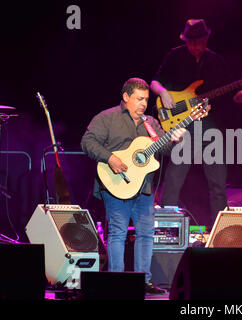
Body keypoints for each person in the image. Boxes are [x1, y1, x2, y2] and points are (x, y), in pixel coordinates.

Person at [150, 19, 242, 228]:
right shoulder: (175, 56)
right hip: (184, 125)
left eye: (197, 42)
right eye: (189, 42)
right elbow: (154, 82)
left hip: (210, 125)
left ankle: (220, 231)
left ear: (206, 39)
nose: (193, 46)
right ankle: (163, 227)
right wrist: (163, 93)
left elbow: (234, 97)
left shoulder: (217, 62)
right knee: (174, 178)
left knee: (217, 182)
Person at [81, 78, 185, 294]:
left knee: (146, 233)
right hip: (116, 184)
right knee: (118, 232)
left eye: (146, 99)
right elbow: (88, 142)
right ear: (126, 97)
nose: (143, 104)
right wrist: (110, 158)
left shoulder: (151, 123)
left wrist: (174, 140)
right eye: (139, 99)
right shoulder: (107, 117)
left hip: (144, 187)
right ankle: (117, 281)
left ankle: (143, 281)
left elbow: (162, 150)